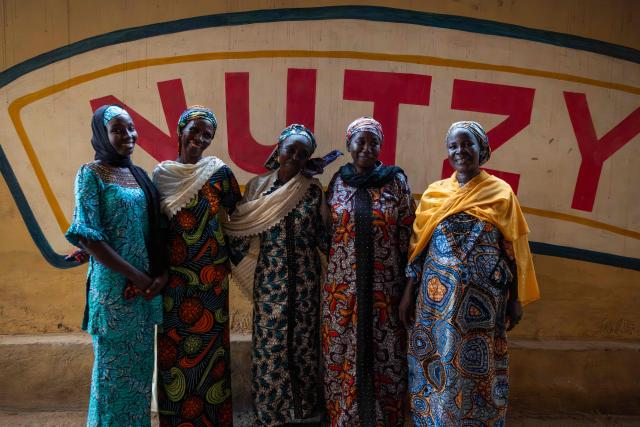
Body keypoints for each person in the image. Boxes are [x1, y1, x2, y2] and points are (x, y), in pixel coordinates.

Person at [399, 121, 540, 426]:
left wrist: (516, 299)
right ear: (447, 152)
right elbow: (418, 249)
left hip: (484, 307)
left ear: (482, 150)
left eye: (467, 144)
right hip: (436, 306)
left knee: (480, 366)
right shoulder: (435, 194)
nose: (460, 151)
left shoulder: (501, 194)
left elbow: (513, 250)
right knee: (437, 362)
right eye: (453, 146)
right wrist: (408, 295)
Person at [224, 124, 341, 426]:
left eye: (304, 154)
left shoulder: (312, 190)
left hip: (305, 281)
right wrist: (232, 264)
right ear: (278, 149)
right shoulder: (257, 188)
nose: (296, 156)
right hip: (269, 281)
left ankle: (303, 410)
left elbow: (322, 237)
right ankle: (271, 411)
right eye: (292, 149)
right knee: (270, 346)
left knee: (303, 345)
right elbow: (241, 228)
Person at [66, 105, 167, 426]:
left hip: (143, 294)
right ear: (102, 135)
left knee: (138, 376)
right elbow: (89, 237)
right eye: (118, 130)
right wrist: (137, 277)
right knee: (112, 378)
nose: (128, 136)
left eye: (131, 128)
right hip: (113, 294)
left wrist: (159, 275)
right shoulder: (90, 175)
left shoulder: (139, 176)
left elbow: (155, 230)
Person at [322, 117, 415, 426]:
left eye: (372, 142)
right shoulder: (338, 181)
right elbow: (326, 235)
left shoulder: (396, 182)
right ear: (349, 145)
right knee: (344, 355)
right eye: (360, 141)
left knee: (386, 357)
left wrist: (407, 291)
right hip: (343, 293)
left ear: (380, 146)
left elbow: (409, 237)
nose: (366, 147)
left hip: (384, 293)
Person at [152, 106, 241, 426]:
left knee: (213, 355)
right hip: (175, 283)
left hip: (212, 282)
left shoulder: (219, 173)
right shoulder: (161, 176)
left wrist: (236, 259)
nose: (200, 139)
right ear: (180, 129)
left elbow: (240, 216)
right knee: (174, 354)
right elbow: (153, 228)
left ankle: (215, 420)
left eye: (208, 135)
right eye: (196, 131)